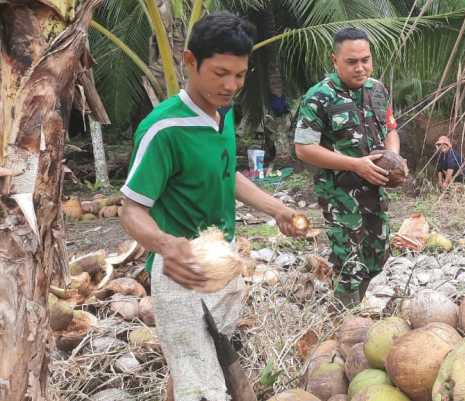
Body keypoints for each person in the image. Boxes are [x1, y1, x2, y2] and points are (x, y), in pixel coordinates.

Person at [119, 12, 306, 401]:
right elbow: (131, 210)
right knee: (204, 387)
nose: (231, 85)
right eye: (220, 73)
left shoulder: (224, 112)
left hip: (223, 265)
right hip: (181, 275)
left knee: (200, 369)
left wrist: (277, 209)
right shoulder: (163, 130)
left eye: (239, 75)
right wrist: (167, 245)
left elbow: (226, 174)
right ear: (190, 61)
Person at [293, 28, 403, 307]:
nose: (360, 67)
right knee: (348, 262)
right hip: (339, 195)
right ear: (335, 60)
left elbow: (391, 129)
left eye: (365, 60)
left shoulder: (378, 90)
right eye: (352, 62)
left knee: (378, 256)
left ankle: (364, 311)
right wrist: (355, 165)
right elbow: (304, 149)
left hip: (376, 191)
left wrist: (393, 159)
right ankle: (343, 320)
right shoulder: (319, 96)